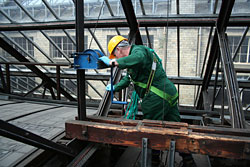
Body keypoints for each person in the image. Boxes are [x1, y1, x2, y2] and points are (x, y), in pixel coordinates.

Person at [99, 35, 196, 167]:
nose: (116, 58)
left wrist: (113, 63)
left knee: (151, 131)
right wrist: (115, 87)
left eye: (115, 55)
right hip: (168, 94)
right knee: (176, 128)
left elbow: (138, 58)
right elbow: (129, 78)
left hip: (156, 97)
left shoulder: (139, 51)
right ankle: (189, 161)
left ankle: (153, 162)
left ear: (119, 50)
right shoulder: (134, 63)